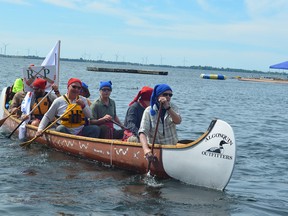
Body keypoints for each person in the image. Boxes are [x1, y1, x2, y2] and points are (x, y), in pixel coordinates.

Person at [35, 78, 100, 138]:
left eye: (79, 88)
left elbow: (89, 115)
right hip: (65, 130)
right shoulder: (59, 101)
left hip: (80, 131)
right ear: (68, 87)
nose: (76, 89)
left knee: (95, 129)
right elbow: (47, 116)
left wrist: (83, 106)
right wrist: (40, 129)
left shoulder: (83, 100)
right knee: (60, 128)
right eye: (74, 87)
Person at [139, 84, 182, 160]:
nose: (168, 97)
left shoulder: (173, 107)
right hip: (156, 148)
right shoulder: (148, 111)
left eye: (170, 95)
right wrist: (146, 149)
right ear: (158, 96)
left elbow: (178, 121)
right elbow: (142, 132)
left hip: (172, 147)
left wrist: (168, 108)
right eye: (165, 94)